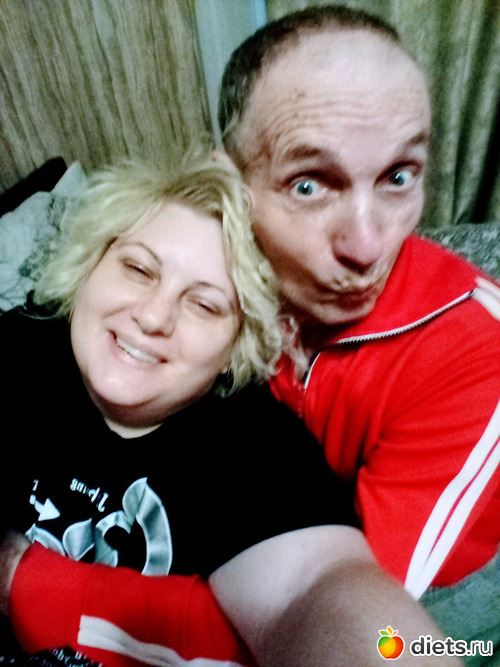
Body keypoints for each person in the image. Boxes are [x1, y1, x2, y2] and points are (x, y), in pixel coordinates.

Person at [0, 152, 457, 666]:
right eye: (138, 269)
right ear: (90, 265)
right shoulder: (24, 346)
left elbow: (310, 591)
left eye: (204, 304)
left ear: (236, 345)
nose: (152, 317)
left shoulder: (251, 445)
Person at [217, 2, 500, 657]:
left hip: (436, 590)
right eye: (310, 185)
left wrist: (36, 585)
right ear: (229, 183)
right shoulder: (214, 270)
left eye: (399, 177)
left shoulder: (478, 353)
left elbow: (325, 610)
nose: (368, 246)